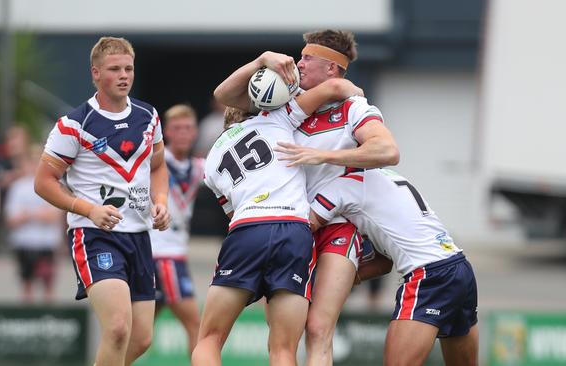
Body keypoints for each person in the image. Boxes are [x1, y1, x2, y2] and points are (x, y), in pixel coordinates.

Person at [213, 29, 400, 365]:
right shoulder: (285, 99)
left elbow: (386, 150)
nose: (298, 63)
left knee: (317, 328)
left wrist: (324, 156)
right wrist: (261, 60)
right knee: (281, 339)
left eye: (306, 58)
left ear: (332, 68)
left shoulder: (353, 107)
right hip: (291, 227)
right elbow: (227, 95)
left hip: (334, 226)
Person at [192, 72, 363, 366]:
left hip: (248, 229)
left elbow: (230, 211)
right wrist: (360, 101)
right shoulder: (278, 119)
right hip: (293, 230)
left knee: (209, 340)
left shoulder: (211, 160)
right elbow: (335, 86)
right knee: (283, 349)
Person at [34, 36, 170, 366]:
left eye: (129, 68)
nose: (124, 75)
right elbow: (43, 182)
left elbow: (159, 165)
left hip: (138, 236)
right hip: (94, 235)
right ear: (95, 73)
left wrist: (161, 200)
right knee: (119, 329)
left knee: (141, 338)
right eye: (114, 69)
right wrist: (89, 210)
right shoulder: (74, 124)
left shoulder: (148, 116)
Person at [309, 168, 479, 366]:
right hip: (459, 267)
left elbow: (305, 227)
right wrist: (338, 282)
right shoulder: (389, 174)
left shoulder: (343, 186)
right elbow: (384, 263)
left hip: (429, 276)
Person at [149, 104, 204, 354]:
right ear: (166, 133)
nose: (183, 133)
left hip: (173, 252)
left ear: (195, 133)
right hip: (163, 254)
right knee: (196, 325)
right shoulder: (156, 161)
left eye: (188, 128)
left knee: (142, 332)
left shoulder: (199, 167)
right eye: (177, 128)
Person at [5, 144, 63, 303]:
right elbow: (12, 219)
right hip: (24, 242)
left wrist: (28, 215)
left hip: (47, 243)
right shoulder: (18, 187)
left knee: (48, 284)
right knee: (27, 283)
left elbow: (54, 216)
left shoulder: (53, 184)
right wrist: (38, 214)